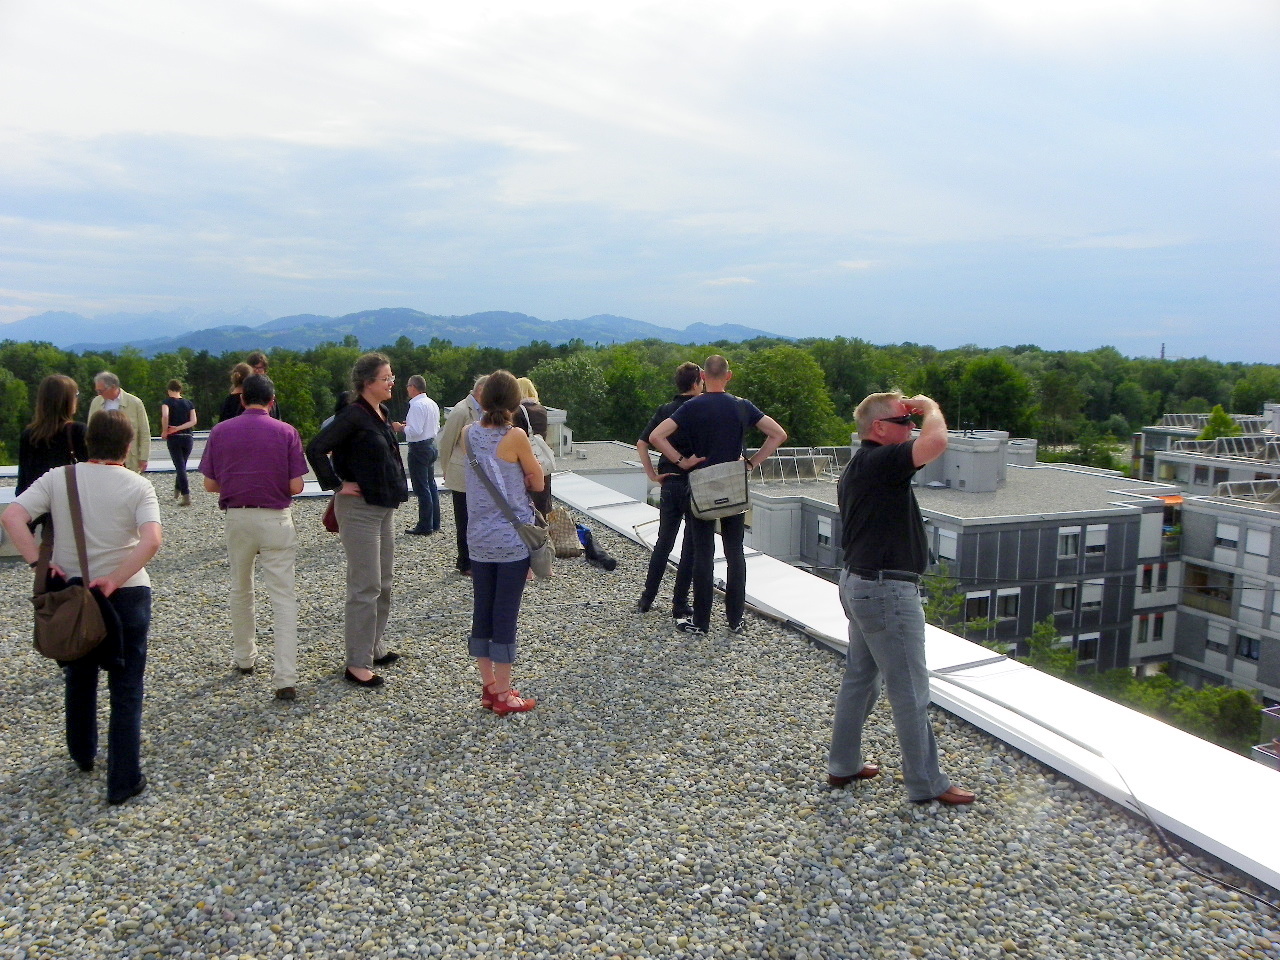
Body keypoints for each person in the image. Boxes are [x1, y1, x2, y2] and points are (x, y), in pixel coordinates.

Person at [2, 410, 162, 805]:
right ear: (128, 446)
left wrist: (38, 563)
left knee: (79, 672)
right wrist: (116, 577)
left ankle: (83, 752)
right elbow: (152, 540)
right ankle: (123, 779)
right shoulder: (139, 486)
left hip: (74, 592)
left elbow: (13, 516)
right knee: (126, 687)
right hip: (126, 593)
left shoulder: (59, 478)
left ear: (88, 443)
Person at [826, 392, 975, 806]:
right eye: (903, 421)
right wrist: (930, 408)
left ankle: (843, 764)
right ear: (878, 428)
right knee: (909, 688)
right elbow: (936, 442)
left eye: (913, 420)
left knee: (861, 680)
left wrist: (915, 414)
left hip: (860, 582)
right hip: (885, 590)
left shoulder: (862, 464)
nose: (911, 427)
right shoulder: (880, 461)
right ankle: (926, 783)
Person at [648, 355, 787, 636]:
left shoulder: (692, 406)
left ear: (702, 376)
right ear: (728, 376)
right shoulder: (742, 406)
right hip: (733, 485)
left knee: (703, 553)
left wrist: (681, 461)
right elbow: (778, 434)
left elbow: (656, 436)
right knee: (735, 552)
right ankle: (735, 619)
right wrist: (751, 463)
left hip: (702, 485)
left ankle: (701, 621)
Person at [199, 374, 309, 701]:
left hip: (238, 516)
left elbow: (209, 484)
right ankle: (285, 677)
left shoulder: (220, 431)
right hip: (275, 517)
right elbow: (296, 486)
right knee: (283, 596)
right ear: (272, 401)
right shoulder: (286, 432)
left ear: (242, 399)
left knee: (240, 587)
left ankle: (244, 657)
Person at [306, 352, 409, 688]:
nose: (391, 383)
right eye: (386, 378)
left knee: (384, 582)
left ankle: (374, 646)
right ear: (368, 383)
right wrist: (337, 484)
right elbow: (316, 448)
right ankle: (357, 662)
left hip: (383, 508)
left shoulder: (382, 413)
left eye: (392, 377)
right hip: (359, 510)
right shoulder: (352, 415)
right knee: (365, 586)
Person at [463, 370, 543, 715]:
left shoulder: (468, 433)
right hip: (511, 540)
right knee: (505, 615)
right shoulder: (516, 436)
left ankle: (489, 687)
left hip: (478, 538)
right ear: (514, 402)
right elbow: (537, 481)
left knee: (482, 610)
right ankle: (504, 693)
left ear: (482, 398)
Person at [635, 362, 702, 619]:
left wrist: (652, 475)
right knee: (690, 546)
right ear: (696, 383)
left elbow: (642, 443)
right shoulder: (701, 408)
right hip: (697, 483)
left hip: (670, 482)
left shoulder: (665, 410)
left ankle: (647, 598)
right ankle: (680, 603)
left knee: (664, 542)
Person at [436, 375, 488, 575]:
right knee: (464, 518)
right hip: (462, 473)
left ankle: (478, 558)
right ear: (481, 391)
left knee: (478, 518)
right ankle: (465, 562)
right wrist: (446, 469)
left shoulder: (484, 410)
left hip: (479, 473)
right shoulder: (461, 411)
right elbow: (446, 442)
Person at [17, 374, 88, 495]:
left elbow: (22, 484)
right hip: (68, 502)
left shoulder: (29, 435)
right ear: (66, 400)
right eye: (76, 395)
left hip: (37, 503)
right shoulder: (78, 431)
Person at [87, 372, 150, 474]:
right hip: (102, 458)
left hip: (128, 459)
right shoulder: (96, 402)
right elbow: (90, 430)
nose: (99, 394)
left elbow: (144, 432)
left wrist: (144, 458)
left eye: (101, 391)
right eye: (97, 391)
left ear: (113, 387)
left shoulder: (135, 403)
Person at [403, 375, 442, 536]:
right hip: (431, 444)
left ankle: (425, 525)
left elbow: (415, 431)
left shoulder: (416, 405)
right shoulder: (432, 403)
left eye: (408, 386)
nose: (407, 389)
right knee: (431, 484)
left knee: (421, 487)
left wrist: (402, 428)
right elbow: (436, 426)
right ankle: (435, 522)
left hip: (419, 448)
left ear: (413, 387)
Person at [516, 377, 552, 517]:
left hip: (526, 461)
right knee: (541, 502)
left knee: (526, 503)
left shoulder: (518, 412)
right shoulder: (541, 410)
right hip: (541, 458)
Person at [160, 379, 197, 506]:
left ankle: (186, 495)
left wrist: (166, 430)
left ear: (168, 390)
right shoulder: (189, 403)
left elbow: (165, 416)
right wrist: (180, 427)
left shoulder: (167, 402)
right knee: (182, 465)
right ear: (180, 390)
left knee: (180, 466)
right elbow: (193, 421)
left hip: (174, 438)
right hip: (188, 437)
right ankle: (177, 491)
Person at [246, 351, 284, 420]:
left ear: (265, 370)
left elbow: (276, 417)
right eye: (253, 367)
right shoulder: (243, 390)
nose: (256, 371)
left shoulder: (269, 391)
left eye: (260, 368)